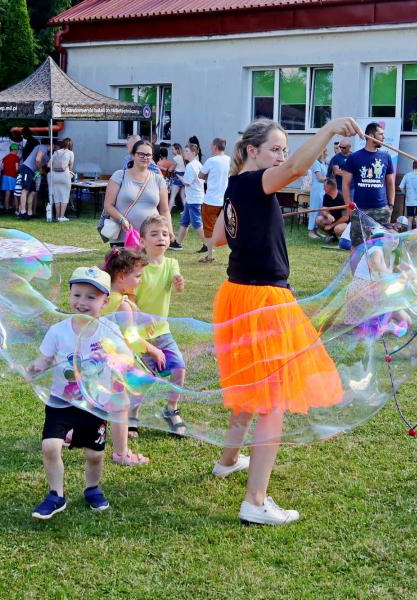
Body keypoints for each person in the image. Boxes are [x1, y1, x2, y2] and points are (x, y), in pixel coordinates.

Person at [210, 116, 361, 525]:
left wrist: (259, 216)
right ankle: (255, 502)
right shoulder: (253, 183)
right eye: (275, 149)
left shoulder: (237, 185)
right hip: (264, 298)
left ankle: (228, 460)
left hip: (238, 294)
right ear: (252, 151)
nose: (282, 156)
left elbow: (219, 237)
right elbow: (295, 169)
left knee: (251, 386)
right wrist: (329, 130)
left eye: (283, 149)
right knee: (273, 401)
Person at [26, 266, 118, 519]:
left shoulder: (110, 331)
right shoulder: (58, 331)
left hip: (95, 403)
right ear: (69, 295)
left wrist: (115, 360)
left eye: (91, 297)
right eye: (77, 295)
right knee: (50, 447)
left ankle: (92, 488)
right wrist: (35, 367)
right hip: (61, 401)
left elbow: (123, 360)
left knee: (94, 454)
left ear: (105, 301)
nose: (82, 302)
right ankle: (56, 495)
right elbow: (45, 359)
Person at [101, 248, 160, 465]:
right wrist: (153, 349)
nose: (140, 280)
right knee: (120, 405)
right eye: (137, 276)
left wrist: (136, 310)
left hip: (100, 360)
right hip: (116, 363)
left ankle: (72, 433)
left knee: (98, 401)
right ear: (122, 276)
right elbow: (131, 338)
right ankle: (121, 453)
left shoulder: (104, 298)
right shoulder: (122, 305)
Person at [134, 215, 187, 436]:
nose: (161, 238)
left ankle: (171, 409)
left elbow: (177, 284)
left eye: (165, 234)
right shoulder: (138, 267)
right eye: (154, 234)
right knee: (142, 378)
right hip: (139, 335)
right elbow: (129, 298)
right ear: (142, 241)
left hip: (163, 332)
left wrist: (179, 283)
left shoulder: (171, 263)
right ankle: (133, 414)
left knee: (179, 368)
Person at [103, 140, 172, 246]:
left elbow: (164, 210)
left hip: (151, 239)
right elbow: (108, 205)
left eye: (148, 155)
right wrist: (121, 219)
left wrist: (169, 230)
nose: (145, 157)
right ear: (133, 155)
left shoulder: (158, 179)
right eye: (141, 154)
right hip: (124, 237)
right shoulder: (119, 176)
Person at [342, 122, 396, 248]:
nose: (383, 137)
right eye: (380, 134)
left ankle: (378, 263)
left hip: (382, 209)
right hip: (360, 210)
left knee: (382, 246)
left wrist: (391, 205)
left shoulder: (386, 156)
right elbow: (345, 184)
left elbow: (390, 182)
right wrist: (349, 206)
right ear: (371, 135)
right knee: (357, 246)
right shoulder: (354, 157)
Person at [198, 138, 231, 262]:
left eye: (212, 146)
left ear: (215, 147)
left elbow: (200, 176)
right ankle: (233, 254)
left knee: (208, 228)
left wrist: (210, 176)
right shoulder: (229, 160)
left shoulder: (211, 160)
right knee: (229, 227)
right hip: (225, 200)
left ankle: (210, 255)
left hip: (211, 200)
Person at [172, 143, 203, 251]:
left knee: (196, 223)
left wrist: (179, 177)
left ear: (193, 153)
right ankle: (177, 243)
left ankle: (207, 245)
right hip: (193, 198)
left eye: (187, 151)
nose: (184, 153)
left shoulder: (191, 165)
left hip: (194, 199)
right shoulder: (198, 164)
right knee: (184, 222)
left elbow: (187, 182)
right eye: (185, 151)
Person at [18, 137, 47, 219]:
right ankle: (22, 211)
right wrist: (40, 169)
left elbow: (45, 163)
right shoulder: (43, 147)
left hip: (32, 172)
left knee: (33, 191)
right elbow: (38, 160)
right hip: (27, 169)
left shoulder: (45, 153)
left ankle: (30, 212)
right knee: (25, 189)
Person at [49, 138, 75, 222]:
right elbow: (71, 167)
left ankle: (57, 216)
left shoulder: (56, 152)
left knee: (56, 196)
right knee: (65, 196)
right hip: (65, 176)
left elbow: (49, 165)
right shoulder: (70, 153)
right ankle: (61, 216)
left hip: (54, 176)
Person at [399, 161, 417, 228]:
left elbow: (401, 187)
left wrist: (405, 193)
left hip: (409, 200)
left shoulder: (406, 175)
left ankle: (409, 231)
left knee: (410, 218)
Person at [307, 148, 328, 238]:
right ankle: (311, 230)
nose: (327, 154)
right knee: (314, 209)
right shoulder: (315, 162)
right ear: (322, 152)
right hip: (317, 188)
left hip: (323, 188)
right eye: (326, 152)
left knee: (320, 210)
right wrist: (330, 179)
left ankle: (316, 230)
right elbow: (320, 177)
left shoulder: (323, 163)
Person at [1, 144, 21, 213]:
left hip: (5, 176)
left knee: (7, 192)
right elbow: (17, 168)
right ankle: (16, 208)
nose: (18, 151)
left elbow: (2, 167)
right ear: (15, 150)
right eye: (17, 150)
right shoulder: (16, 157)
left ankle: (6, 208)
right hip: (12, 176)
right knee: (15, 192)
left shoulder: (5, 157)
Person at [169, 143, 186, 211]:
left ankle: (167, 212)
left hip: (177, 177)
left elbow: (170, 169)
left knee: (172, 196)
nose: (172, 151)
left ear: (177, 150)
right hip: (183, 176)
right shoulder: (183, 157)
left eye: (173, 149)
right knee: (183, 196)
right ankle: (187, 212)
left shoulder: (176, 158)